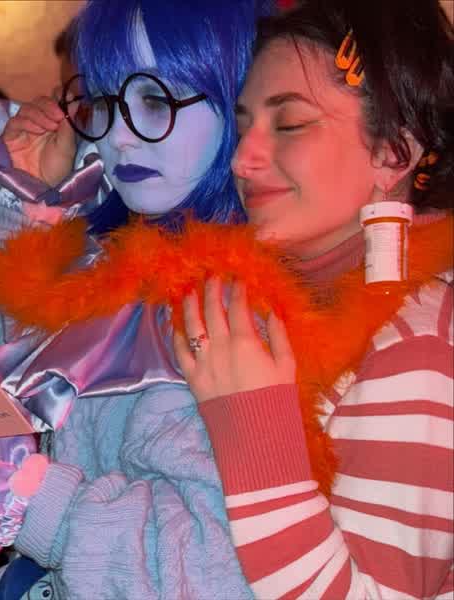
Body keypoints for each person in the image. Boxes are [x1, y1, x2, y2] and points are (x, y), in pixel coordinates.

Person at [0, 1, 276, 599]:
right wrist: (27, 204)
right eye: (104, 103)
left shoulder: (243, 307)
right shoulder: (113, 262)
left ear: (239, 99)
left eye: (157, 101)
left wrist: (19, 491)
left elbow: (213, 573)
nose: (119, 136)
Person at [171, 0, 454, 598]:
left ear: (393, 153)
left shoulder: (418, 348)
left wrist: (254, 426)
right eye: (242, 125)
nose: (241, 160)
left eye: (290, 123)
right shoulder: (268, 297)